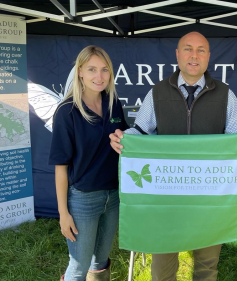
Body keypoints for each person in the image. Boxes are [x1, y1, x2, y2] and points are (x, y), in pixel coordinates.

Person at [109, 31, 237, 281]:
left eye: (201, 50)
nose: (194, 55)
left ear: (209, 57)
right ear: (177, 55)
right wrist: (123, 138)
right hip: (166, 196)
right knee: (163, 270)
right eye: (188, 49)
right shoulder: (157, 92)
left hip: (209, 198)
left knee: (207, 268)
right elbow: (140, 130)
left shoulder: (224, 94)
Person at [49, 45, 129, 281]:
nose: (99, 76)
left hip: (113, 196)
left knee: (101, 261)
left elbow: (125, 142)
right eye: (92, 69)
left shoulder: (113, 103)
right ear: (80, 72)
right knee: (79, 265)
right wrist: (64, 213)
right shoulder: (67, 111)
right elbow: (60, 167)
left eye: (105, 70)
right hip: (83, 199)